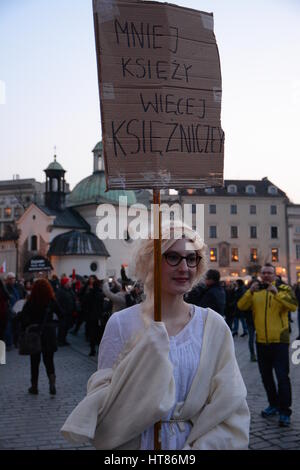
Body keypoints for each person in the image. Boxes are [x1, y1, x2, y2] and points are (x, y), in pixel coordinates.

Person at [61, 221, 250, 450]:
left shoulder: (214, 326)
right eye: (172, 257)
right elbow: (105, 400)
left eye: (191, 259)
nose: (184, 268)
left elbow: (230, 405)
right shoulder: (121, 323)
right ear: (151, 263)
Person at [238, 263, 298, 427]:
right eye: (263, 273)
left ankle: (285, 411)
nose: (265, 275)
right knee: (266, 377)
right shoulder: (255, 289)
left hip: (279, 341)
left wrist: (277, 293)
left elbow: (293, 305)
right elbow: (241, 306)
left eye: (269, 273)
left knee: (282, 377)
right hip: (261, 341)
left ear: (275, 274)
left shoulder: (284, 288)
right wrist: (250, 292)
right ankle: (273, 404)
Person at [19, 279, 62, 395]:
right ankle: (52, 384)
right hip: (49, 334)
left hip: (35, 334)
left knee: (34, 362)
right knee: (49, 361)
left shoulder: (31, 301)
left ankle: (34, 386)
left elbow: (23, 318)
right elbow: (61, 315)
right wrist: (54, 324)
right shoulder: (52, 301)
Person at [55, 276, 76, 346]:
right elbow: (57, 302)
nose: (70, 283)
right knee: (62, 327)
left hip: (69, 312)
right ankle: (60, 340)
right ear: (65, 283)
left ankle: (63, 340)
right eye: (69, 282)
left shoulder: (70, 290)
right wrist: (61, 311)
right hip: (63, 313)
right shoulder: (60, 291)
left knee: (66, 327)